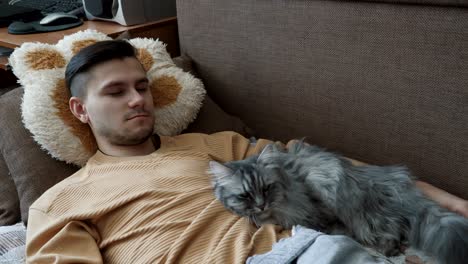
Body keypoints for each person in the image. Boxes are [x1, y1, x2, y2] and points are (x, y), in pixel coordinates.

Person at [25, 40, 468, 263]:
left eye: (142, 87)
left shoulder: (214, 145)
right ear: (81, 110)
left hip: (312, 250)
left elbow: (315, 165)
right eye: (116, 92)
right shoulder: (60, 202)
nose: (138, 99)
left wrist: (444, 198)